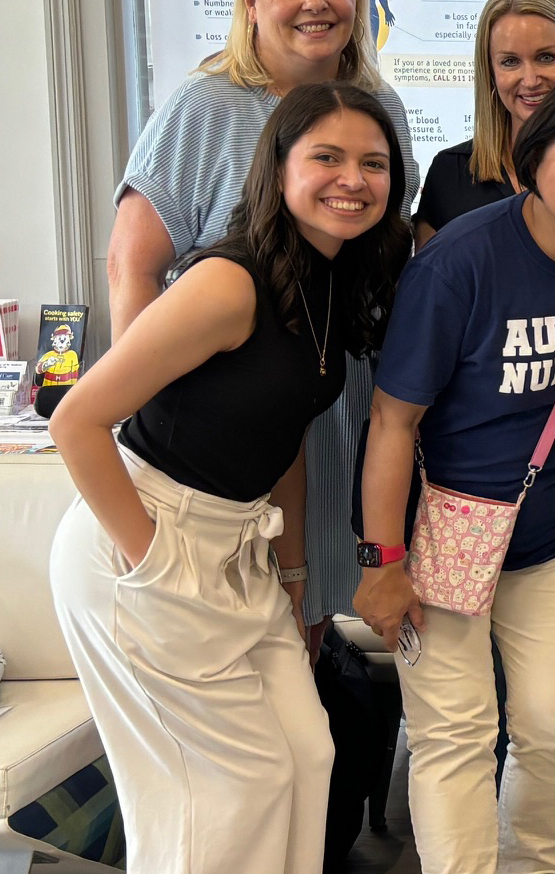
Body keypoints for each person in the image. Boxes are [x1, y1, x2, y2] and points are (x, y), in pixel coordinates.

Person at [52, 83, 412, 874]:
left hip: (240, 546)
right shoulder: (228, 281)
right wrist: (154, 558)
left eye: (374, 163)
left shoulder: (328, 278)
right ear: (276, 167)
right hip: (143, 536)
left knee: (306, 755)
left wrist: (292, 571)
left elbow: (282, 434)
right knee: (222, 792)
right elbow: (76, 421)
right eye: (326, 157)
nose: (352, 178)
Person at [354, 71, 555, 874]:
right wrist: (383, 560)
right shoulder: (459, 264)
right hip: (445, 539)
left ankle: (536, 862)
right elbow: (394, 420)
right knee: (454, 734)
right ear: (533, 159)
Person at [107, 0, 420, 633]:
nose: (316, 2)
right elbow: (133, 267)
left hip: (332, 396)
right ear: (250, 3)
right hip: (223, 421)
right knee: (251, 618)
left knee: (314, 608)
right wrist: (144, 411)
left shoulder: (383, 108)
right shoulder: (204, 105)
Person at [416, 0, 555, 242]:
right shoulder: (450, 173)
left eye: (546, 57)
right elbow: (431, 280)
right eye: (510, 62)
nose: (530, 80)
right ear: (491, 72)